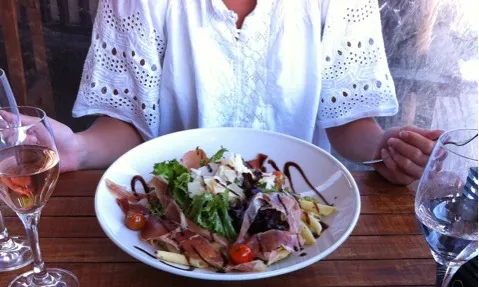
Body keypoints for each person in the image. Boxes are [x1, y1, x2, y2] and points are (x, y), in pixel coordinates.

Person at [48, 0, 441, 184]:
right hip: (177, 213)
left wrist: (387, 150)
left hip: (302, 210)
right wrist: (78, 149)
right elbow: (128, 124)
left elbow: (348, 121)